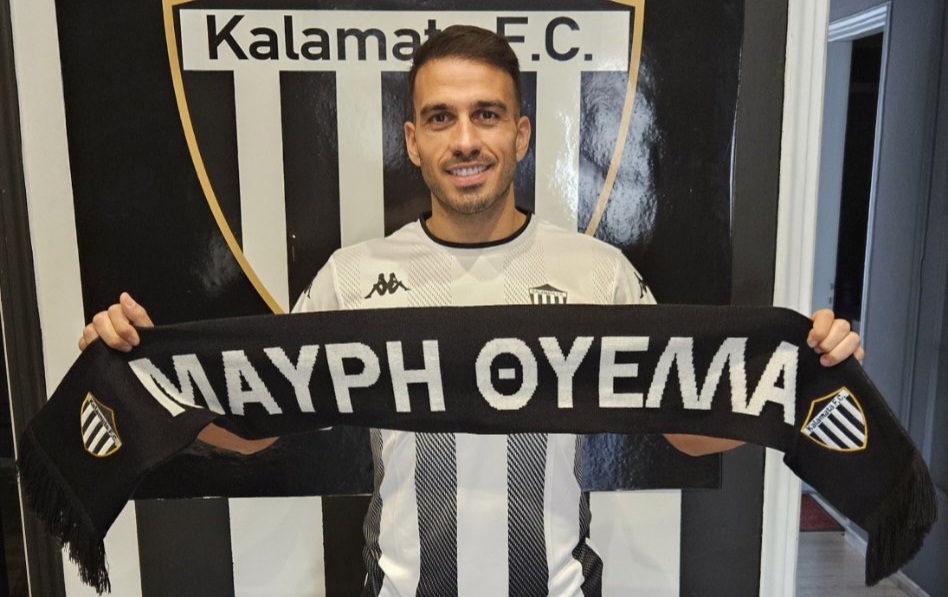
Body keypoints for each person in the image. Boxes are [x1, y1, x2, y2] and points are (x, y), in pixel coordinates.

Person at [79, 25, 863, 597]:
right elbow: (257, 429)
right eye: (441, 117)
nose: (465, 140)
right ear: (412, 139)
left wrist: (802, 379)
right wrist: (139, 382)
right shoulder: (356, 278)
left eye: (487, 115)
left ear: (520, 135)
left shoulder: (595, 275)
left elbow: (684, 429)